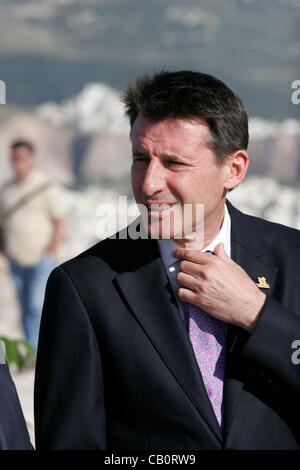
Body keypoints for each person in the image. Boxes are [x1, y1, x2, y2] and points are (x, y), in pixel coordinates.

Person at [34, 71, 300, 450]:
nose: (149, 184)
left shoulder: (293, 258)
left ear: (234, 169)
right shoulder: (84, 288)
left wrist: (256, 314)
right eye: (141, 158)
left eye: (174, 163)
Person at [0, 140, 66, 351]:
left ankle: (38, 352)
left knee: (38, 306)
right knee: (24, 307)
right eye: (14, 159)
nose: (18, 163)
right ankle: (32, 351)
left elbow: (60, 221)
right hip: (15, 259)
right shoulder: (7, 189)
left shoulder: (45, 185)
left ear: (31, 159)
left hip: (41, 258)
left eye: (22, 158)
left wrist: (50, 250)